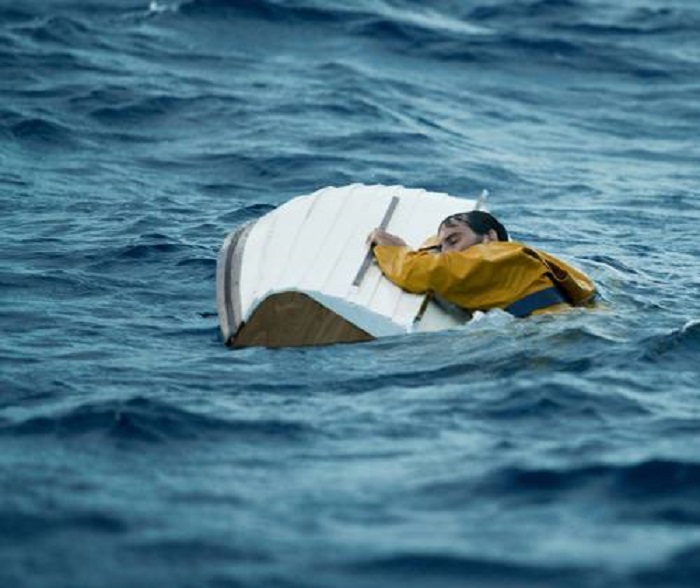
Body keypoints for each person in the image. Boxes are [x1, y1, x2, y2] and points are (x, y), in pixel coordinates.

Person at [367, 211, 596, 318]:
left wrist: (393, 249)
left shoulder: (492, 256)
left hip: (553, 334)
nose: (447, 252)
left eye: (454, 240)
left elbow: (415, 272)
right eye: (443, 245)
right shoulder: (516, 256)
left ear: (490, 237)